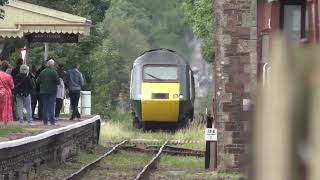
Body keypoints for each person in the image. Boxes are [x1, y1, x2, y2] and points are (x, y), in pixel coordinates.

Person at [36, 59, 59, 125]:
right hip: (52, 91)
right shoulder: (54, 72)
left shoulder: (43, 72)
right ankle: (52, 121)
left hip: (43, 91)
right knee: (51, 106)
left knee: (45, 106)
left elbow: (37, 81)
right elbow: (58, 82)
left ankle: (45, 121)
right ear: (52, 65)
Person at [0, 61, 14, 127]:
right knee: (5, 109)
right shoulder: (8, 76)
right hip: (5, 93)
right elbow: (12, 86)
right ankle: (4, 124)